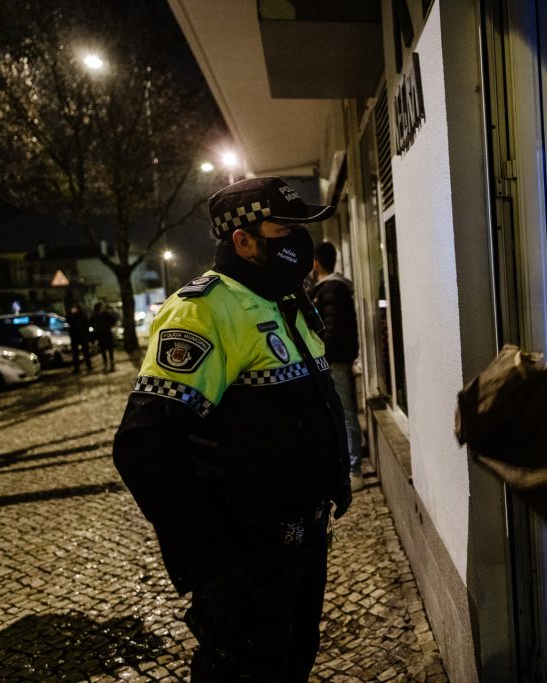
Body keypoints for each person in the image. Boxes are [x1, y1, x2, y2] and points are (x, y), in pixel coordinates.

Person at [112, 176, 352, 681]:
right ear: (243, 240)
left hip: (302, 544)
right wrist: (211, 566)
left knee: (292, 662)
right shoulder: (203, 310)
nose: (298, 239)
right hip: (249, 557)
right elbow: (146, 446)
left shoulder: (284, 299)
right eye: (284, 227)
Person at [309, 242, 364, 492]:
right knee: (341, 413)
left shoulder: (331, 289)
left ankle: (355, 470)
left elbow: (333, 329)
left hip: (335, 360)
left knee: (346, 413)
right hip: (336, 358)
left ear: (316, 263)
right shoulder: (330, 288)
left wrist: (322, 355)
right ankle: (349, 467)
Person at [67, 303, 93, 374]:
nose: (74, 309)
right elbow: (69, 325)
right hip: (75, 337)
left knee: (85, 352)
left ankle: (89, 365)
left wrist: (87, 335)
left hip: (82, 337)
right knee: (75, 354)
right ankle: (77, 368)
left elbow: (86, 326)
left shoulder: (82, 316)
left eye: (75, 308)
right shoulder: (70, 316)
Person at [90, 302, 115, 372]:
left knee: (110, 350)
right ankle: (106, 364)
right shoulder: (95, 315)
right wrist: (95, 328)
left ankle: (112, 364)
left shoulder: (106, 314)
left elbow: (113, 319)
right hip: (101, 335)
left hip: (107, 334)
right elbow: (90, 323)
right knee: (103, 351)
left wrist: (110, 325)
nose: (102, 308)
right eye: (101, 307)